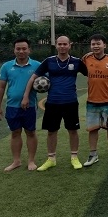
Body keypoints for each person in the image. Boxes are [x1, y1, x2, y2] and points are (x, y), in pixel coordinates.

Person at [21, 35, 88, 171]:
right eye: (60, 44)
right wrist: (25, 96)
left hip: (70, 102)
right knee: (51, 131)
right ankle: (51, 159)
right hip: (52, 103)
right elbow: (33, 78)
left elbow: (91, 74)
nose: (62, 46)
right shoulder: (49, 61)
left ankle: (74, 158)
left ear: (70, 45)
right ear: (56, 45)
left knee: (73, 131)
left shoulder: (76, 62)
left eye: (65, 44)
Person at [0, 38, 41, 172]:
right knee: (15, 133)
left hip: (30, 106)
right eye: (18, 49)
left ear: (29, 50)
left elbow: (46, 82)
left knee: (30, 132)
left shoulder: (37, 65)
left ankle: (31, 161)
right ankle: (16, 161)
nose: (21, 51)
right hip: (12, 106)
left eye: (24, 48)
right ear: (14, 50)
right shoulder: (6, 66)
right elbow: (0, 88)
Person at [81, 34, 108, 167]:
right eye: (93, 44)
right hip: (92, 100)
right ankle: (93, 155)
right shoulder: (86, 59)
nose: (95, 46)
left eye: (98, 43)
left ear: (104, 45)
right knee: (93, 129)